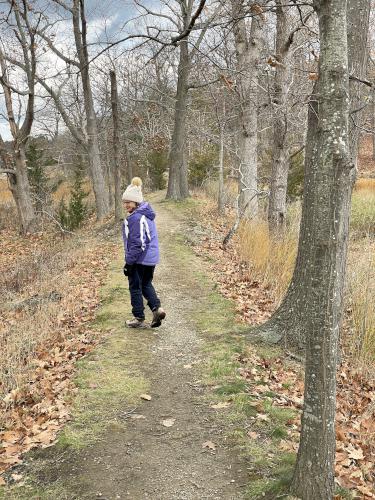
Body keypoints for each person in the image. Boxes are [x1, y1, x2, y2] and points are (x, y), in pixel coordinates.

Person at [122, 177, 166, 328]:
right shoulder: (147, 214)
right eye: (125, 202)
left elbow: (137, 243)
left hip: (140, 259)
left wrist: (129, 262)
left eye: (129, 202)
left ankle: (138, 317)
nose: (126, 204)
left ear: (136, 202)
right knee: (146, 283)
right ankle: (157, 308)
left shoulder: (136, 218)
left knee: (135, 286)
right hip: (151, 258)